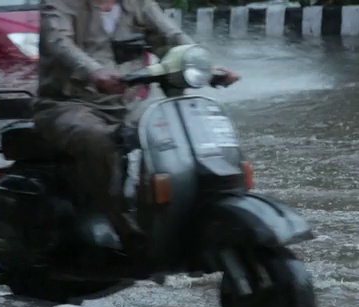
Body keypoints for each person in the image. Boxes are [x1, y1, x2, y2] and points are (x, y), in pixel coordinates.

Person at [33, 0, 238, 244]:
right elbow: (58, 43)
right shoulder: (60, 4)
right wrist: (93, 72)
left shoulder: (138, 4)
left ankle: (171, 211)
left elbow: (171, 38)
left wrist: (206, 68)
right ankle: (122, 224)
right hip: (67, 104)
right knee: (102, 142)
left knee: (175, 134)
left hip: (128, 104)